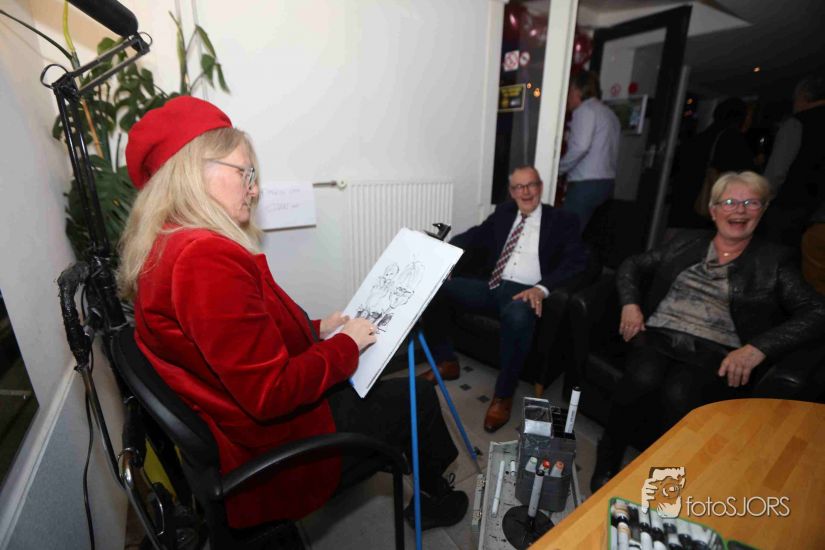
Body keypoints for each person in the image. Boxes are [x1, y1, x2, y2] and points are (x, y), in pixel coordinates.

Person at [117, 96, 467, 531]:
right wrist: (346, 344)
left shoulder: (169, 246)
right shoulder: (203, 259)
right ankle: (435, 500)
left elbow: (242, 343)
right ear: (192, 172)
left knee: (377, 392)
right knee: (416, 397)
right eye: (244, 173)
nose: (254, 189)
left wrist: (319, 329)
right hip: (280, 448)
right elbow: (271, 393)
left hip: (250, 434)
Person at [590, 171, 825, 493]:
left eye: (751, 202)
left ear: (763, 210)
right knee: (641, 378)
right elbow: (632, 264)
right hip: (661, 334)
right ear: (714, 210)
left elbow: (817, 311)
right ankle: (608, 459)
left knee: (678, 393)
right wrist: (630, 304)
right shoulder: (685, 241)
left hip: (715, 349)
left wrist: (757, 348)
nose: (739, 210)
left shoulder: (775, 261)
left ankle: (666, 484)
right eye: (729, 202)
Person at [419, 166, 588, 432]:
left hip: (525, 291)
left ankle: (503, 395)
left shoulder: (563, 220)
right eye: (519, 187)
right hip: (492, 285)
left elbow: (577, 262)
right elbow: (475, 235)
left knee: (517, 316)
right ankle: (446, 362)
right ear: (511, 192)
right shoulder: (504, 213)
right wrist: (445, 251)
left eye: (531, 185)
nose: (526, 192)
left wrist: (542, 289)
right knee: (434, 289)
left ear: (540, 187)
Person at [668, 98, 756, 230]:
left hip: (680, 211)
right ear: (740, 118)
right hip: (706, 216)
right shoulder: (733, 141)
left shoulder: (697, 139)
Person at [762, 74, 825, 247]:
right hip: (818, 212)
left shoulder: (797, 123)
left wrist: (761, 200)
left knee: (775, 254)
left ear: (803, 96)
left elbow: (777, 172)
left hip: (790, 207)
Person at [558, 70, 621, 232]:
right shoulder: (609, 113)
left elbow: (581, 147)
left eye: (569, 91)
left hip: (585, 184)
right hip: (606, 183)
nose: (567, 96)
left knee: (564, 233)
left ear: (577, 91)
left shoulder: (584, 110)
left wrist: (559, 169)